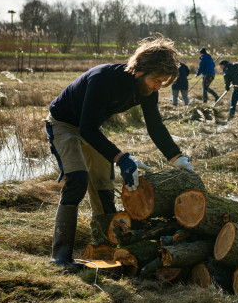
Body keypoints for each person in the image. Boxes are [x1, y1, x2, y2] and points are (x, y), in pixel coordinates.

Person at [45, 35, 195, 270]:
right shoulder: (103, 79)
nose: (158, 86)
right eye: (156, 80)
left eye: (162, 83)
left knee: (103, 182)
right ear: (139, 70)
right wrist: (122, 159)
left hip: (91, 127)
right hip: (64, 124)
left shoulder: (147, 89)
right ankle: (60, 256)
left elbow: (154, 125)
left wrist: (178, 157)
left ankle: (104, 245)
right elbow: (86, 128)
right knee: (77, 179)